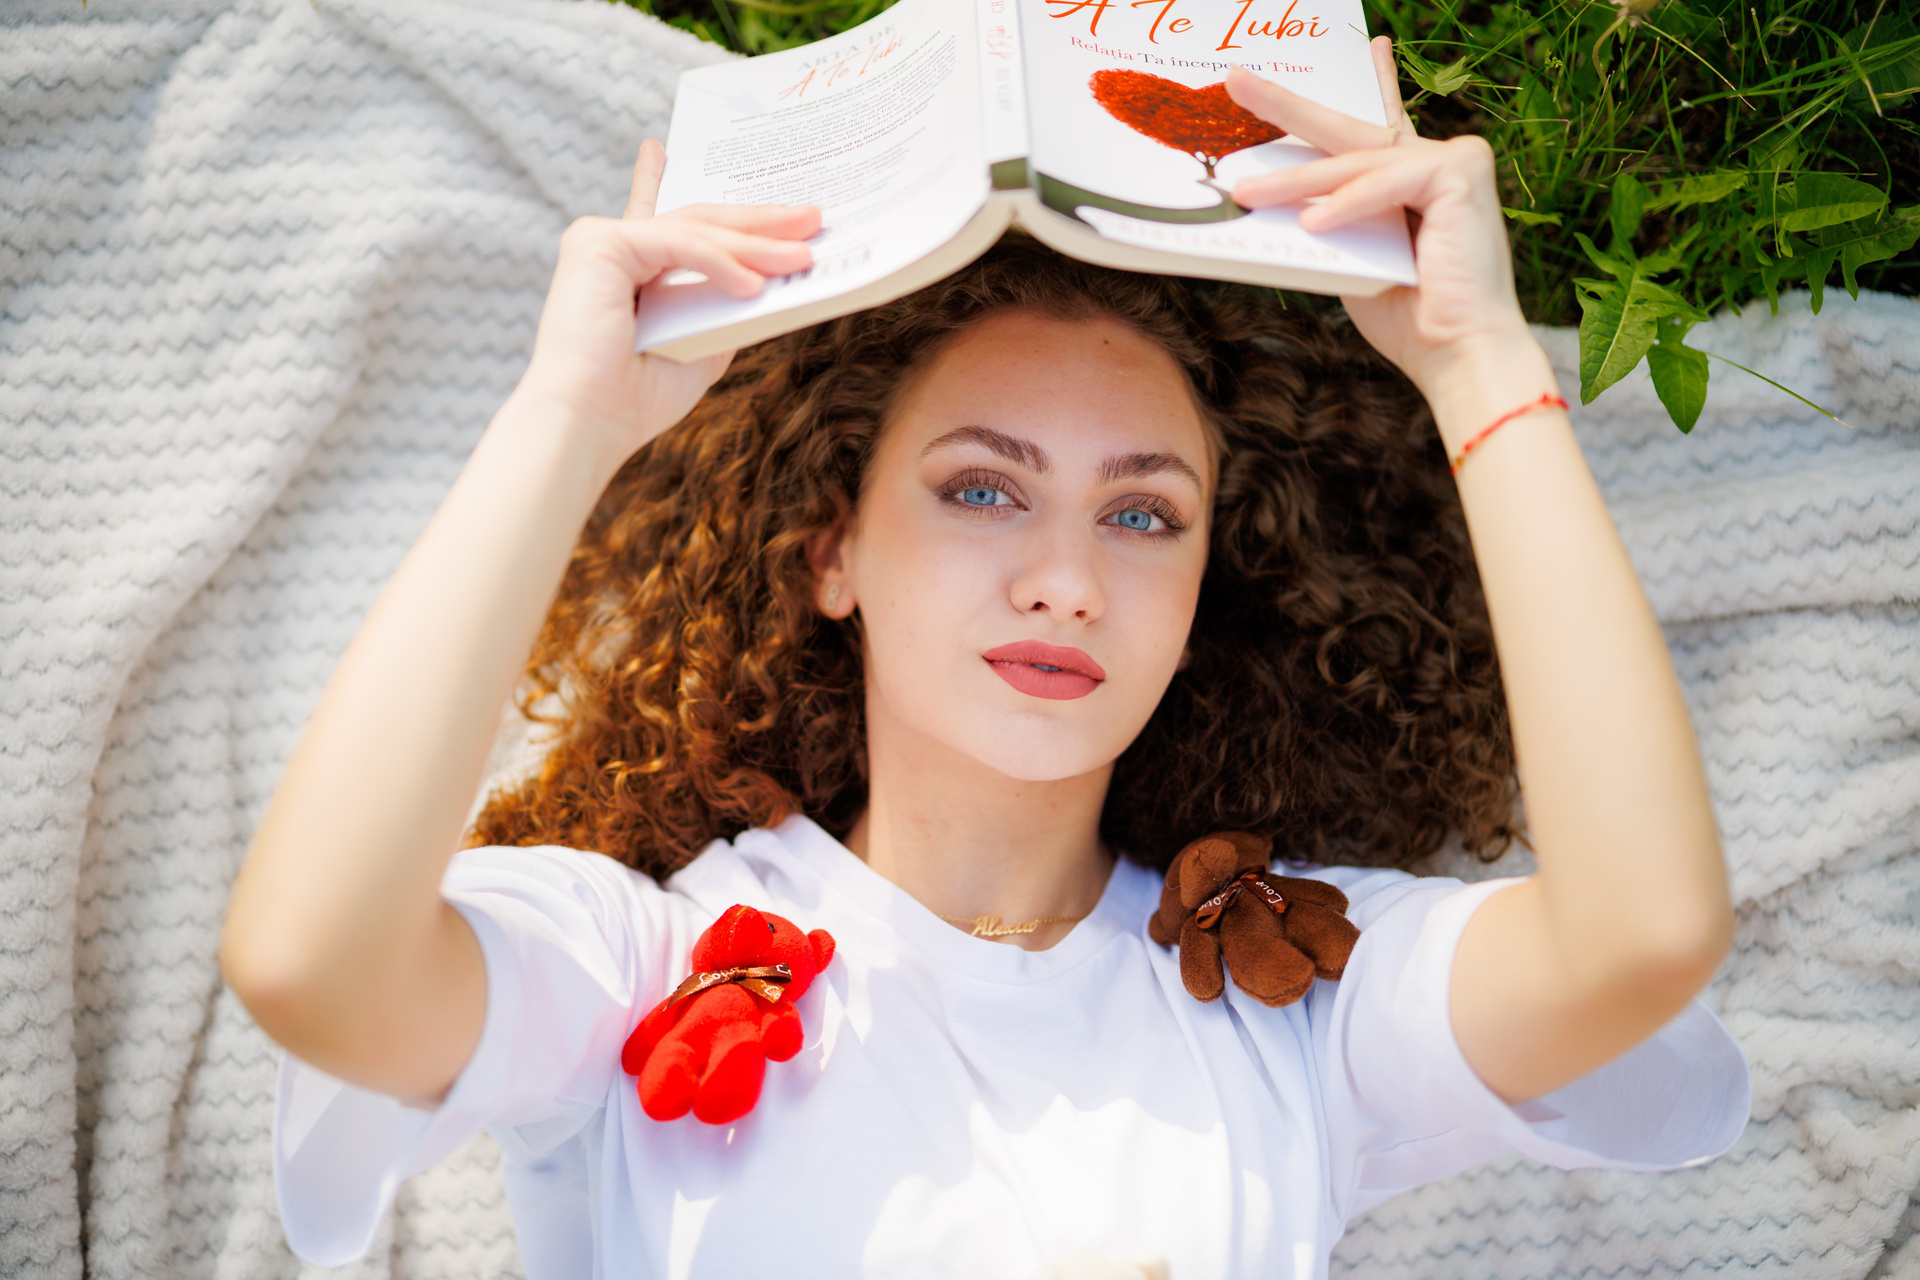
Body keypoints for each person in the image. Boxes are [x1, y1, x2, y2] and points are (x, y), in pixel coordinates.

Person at [221, 39, 1748, 1280]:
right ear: (832, 555)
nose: (1067, 582)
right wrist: (568, 418)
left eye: (1143, 515)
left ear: (1201, 600)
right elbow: (311, 966)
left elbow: (1641, 939)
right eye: (981, 489)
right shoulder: (638, 960)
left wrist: (1478, 365)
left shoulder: (1291, 996)